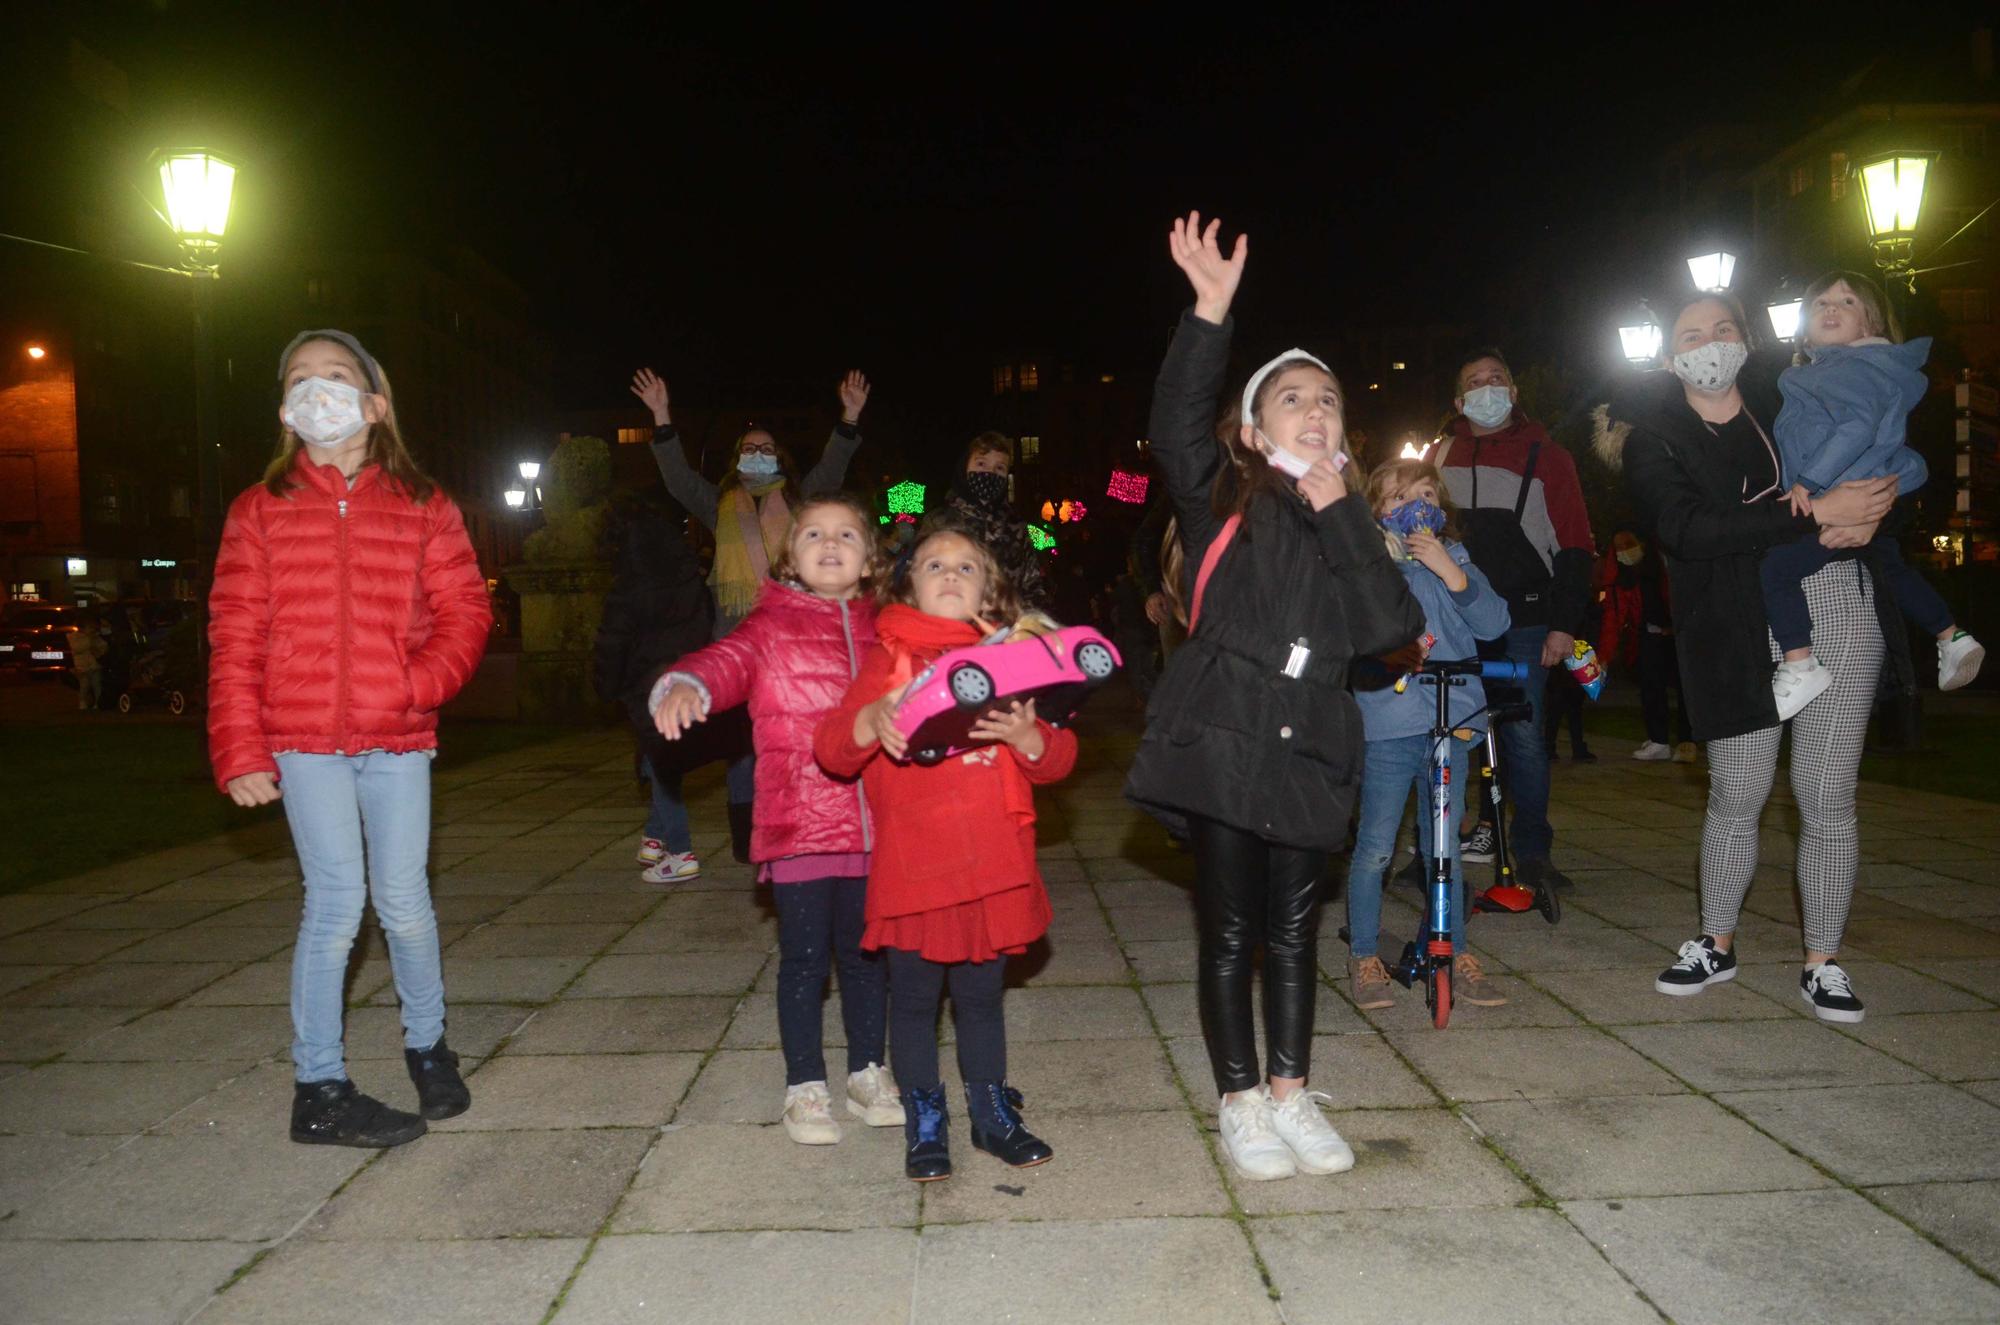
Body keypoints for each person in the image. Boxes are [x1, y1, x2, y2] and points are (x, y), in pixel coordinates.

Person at [1124, 213, 1425, 1183]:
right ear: (1255, 427)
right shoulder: (1224, 494)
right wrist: (1208, 312)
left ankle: (1292, 1094)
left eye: (1327, 399)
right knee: (1230, 931)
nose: (1312, 410)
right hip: (1225, 727)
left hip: (1311, 739)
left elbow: (1387, 626)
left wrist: (1343, 504)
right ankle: (1238, 1099)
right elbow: (1173, 421)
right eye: (1290, 397)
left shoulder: (1346, 519)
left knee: (1294, 931)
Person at [208, 328, 491, 1146]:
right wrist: (239, 747)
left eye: (336, 377)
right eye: (301, 379)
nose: (317, 390)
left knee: (404, 902)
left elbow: (466, 613)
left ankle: (429, 1047)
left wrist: (415, 684)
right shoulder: (259, 510)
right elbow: (235, 634)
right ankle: (319, 1085)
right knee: (334, 905)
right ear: (286, 410)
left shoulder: (423, 504)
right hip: (300, 738)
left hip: (396, 738)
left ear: (375, 402)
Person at [1598, 290, 1902, 1023]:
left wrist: (1873, 509)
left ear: (1746, 339)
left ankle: (1822, 959)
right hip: (1729, 622)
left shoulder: (1788, 401)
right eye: (1692, 332)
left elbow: (1877, 456)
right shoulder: (1654, 438)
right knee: (1737, 792)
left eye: (1724, 327)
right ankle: (1716, 940)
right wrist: (1812, 511)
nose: (1711, 341)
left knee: (1828, 794)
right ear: (1670, 357)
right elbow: (1686, 527)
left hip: (1831, 598)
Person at [815, 517, 1076, 1182]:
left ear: (989, 591)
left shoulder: (1010, 654)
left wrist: (1029, 738)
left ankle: (992, 1114)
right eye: (935, 565)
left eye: (967, 567)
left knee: (983, 996)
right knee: (913, 1000)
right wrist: (873, 719)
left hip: (992, 862)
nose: (952, 574)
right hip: (918, 866)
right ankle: (925, 1118)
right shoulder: (890, 656)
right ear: (907, 586)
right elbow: (833, 748)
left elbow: (1060, 755)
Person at [652, 492, 900, 1144]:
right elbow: (724, 662)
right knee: (805, 961)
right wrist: (688, 683)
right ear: (791, 555)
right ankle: (806, 1085)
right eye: (813, 531)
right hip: (800, 827)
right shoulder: (769, 625)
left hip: (878, 827)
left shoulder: (891, 629)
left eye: (846, 532)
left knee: (868, 957)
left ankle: (868, 1069)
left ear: (869, 557)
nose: (829, 542)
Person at [630, 366, 870, 861]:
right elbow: (676, 478)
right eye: (749, 448)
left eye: (766, 448)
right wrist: (660, 416)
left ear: (779, 457)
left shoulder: (803, 503)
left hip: (796, 633)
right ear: (736, 458)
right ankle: (746, 834)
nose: (757, 455)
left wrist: (849, 417)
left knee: (797, 732)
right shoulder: (718, 502)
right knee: (742, 744)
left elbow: (832, 470)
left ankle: (812, 822)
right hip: (736, 635)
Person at [1765, 270, 1983, 717]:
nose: (1830, 308)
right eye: (1821, 302)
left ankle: (1800, 661)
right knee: (1892, 567)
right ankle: (1952, 635)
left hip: (1835, 499)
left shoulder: (1846, 369)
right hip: (1863, 496)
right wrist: (1889, 492)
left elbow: (1857, 428)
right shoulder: (1869, 371)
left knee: (1776, 569)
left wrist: (1807, 481)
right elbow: (1902, 454)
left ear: (1871, 325)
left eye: (1846, 302)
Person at [1345, 458, 1511, 1012]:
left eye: (1423, 493)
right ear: (1376, 512)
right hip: (1390, 722)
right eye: (1395, 497)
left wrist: (1451, 573)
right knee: (1375, 845)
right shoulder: (1367, 567)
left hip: (1453, 717)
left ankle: (1455, 950)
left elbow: (1493, 625)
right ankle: (1364, 955)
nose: (1413, 504)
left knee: (1445, 847)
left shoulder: (1456, 559)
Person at [1435, 349, 1596, 890]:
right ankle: (1436, 850)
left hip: (1525, 620)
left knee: (1524, 738)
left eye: (1496, 379)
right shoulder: (1438, 456)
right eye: (1474, 381)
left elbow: (1575, 545)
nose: (1487, 388)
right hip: (1452, 620)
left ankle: (1532, 852)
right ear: (1458, 400)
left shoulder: (1548, 456)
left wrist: (1564, 624)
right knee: (1444, 734)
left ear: (1514, 392)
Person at [592, 489, 713, 883]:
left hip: (645, 682)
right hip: (684, 678)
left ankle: (680, 851)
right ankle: (655, 837)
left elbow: (612, 642)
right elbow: (703, 624)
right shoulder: (687, 576)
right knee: (656, 755)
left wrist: (606, 687)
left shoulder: (629, 586)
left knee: (661, 764)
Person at [1595, 529, 1694, 762]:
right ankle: (1659, 740)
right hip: (1649, 635)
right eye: (1619, 550)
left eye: (1628, 546)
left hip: (1680, 633)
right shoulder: (1623, 575)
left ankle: (1687, 741)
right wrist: (1604, 656)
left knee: (1686, 689)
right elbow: (1614, 615)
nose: (1624, 553)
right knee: (1651, 687)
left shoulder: (1664, 563)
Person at [936, 431, 1048, 612]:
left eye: (1000, 468)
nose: (990, 472)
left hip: (1007, 632)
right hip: (952, 630)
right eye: (981, 463)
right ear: (964, 467)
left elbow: (1033, 587)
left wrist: (1026, 626)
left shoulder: (1017, 527)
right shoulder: (939, 522)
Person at [67, 610, 105, 712]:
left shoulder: (94, 637)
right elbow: (78, 648)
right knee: (84, 685)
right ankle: (82, 701)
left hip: (94, 665)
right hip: (82, 667)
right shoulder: (75, 638)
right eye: (90, 627)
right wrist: (90, 641)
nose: (93, 629)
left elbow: (103, 647)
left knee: (97, 685)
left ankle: (98, 702)